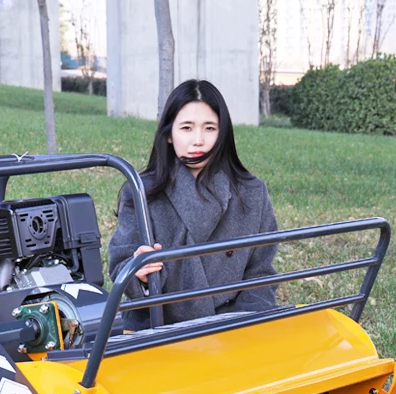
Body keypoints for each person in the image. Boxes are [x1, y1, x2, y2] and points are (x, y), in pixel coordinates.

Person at [108, 79, 278, 331]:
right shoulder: (142, 191)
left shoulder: (252, 192)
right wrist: (140, 274)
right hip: (159, 329)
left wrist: (245, 328)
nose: (198, 140)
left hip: (232, 328)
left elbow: (261, 275)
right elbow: (121, 266)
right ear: (168, 134)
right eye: (186, 128)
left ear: (223, 134)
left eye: (209, 128)